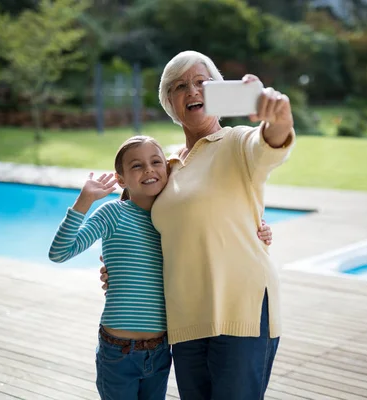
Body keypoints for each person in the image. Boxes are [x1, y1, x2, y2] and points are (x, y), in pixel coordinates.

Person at [99, 50, 295, 399]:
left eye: (202, 82)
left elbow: (271, 141)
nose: (192, 91)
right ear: (169, 104)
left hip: (241, 311)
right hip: (185, 320)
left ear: (220, 92)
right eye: (179, 86)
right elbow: (136, 220)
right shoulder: (167, 166)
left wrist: (277, 113)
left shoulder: (237, 142)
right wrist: (120, 265)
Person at [48, 135, 274, 400]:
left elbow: (211, 239)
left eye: (156, 162)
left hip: (160, 351)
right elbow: (60, 252)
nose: (148, 170)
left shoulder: (174, 218)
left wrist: (259, 230)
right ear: (121, 180)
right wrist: (84, 201)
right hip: (118, 351)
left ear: (167, 170)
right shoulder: (113, 214)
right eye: (136, 166)